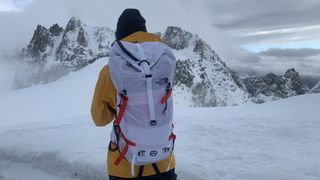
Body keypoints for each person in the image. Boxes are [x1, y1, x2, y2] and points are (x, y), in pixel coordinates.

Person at [91, 9, 177, 180]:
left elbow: (99, 119)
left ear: (120, 36)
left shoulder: (110, 71)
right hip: (164, 160)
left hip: (124, 165)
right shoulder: (164, 64)